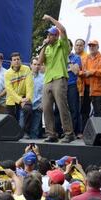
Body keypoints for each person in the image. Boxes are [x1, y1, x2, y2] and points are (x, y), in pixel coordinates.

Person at [38, 15, 74, 143]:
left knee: (62, 106)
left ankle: (69, 133)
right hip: (48, 79)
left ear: (56, 36)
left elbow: (63, 29)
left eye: (51, 35)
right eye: (48, 35)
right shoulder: (47, 47)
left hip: (60, 78)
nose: (49, 37)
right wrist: (43, 46)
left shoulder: (62, 44)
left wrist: (50, 19)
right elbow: (40, 62)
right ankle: (51, 134)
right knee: (46, 107)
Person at [55, 39, 82, 137]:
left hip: (71, 85)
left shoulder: (76, 58)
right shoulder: (58, 57)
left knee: (73, 109)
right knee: (58, 109)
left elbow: (75, 71)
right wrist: (69, 69)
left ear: (71, 47)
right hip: (59, 85)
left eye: (68, 46)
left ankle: (72, 132)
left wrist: (68, 60)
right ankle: (57, 132)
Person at [79, 40, 101, 129]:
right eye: (90, 46)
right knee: (84, 112)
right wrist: (83, 73)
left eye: (93, 46)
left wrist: (90, 72)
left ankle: (98, 132)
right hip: (85, 89)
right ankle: (85, 131)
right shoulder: (84, 58)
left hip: (97, 90)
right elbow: (79, 71)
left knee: (98, 112)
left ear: (98, 47)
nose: (91, 47)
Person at [5, 52, 34, 138]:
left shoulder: (26, 69)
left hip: (25, 97)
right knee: (11, 119)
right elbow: (9, 90)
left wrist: (27, 99)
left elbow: (30, 85)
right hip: (11, 99)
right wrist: (20, 100)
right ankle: (13, 135)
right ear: (11, 62)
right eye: (14, 60)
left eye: (18, 59)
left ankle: (25, 132)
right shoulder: (7, 73)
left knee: (28, 109)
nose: (16, 61)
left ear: (21, 60)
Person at [29, 57, 44, 139]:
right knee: (23, 127)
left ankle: (34, 148)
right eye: (34, 64)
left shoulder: (44, 77)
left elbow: (45, 92)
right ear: (30, 65)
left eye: (38, 64)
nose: (36, 66)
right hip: (27, 106)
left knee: (35, 129)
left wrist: (43, 104)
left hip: (38, 106)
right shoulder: (26, 77)